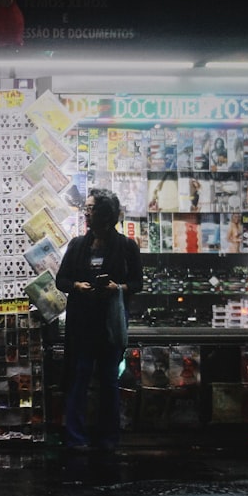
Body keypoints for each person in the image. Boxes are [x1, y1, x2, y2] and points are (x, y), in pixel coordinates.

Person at [55, 188, 143, 452]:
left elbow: (137, 282)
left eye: (91, 208)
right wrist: (77, 286)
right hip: (81, 325)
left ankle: (108, 438)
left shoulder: (126, 246)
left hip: (109, 324)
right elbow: (61, 280)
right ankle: (76, 437)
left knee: (108, 382)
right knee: (78, 379)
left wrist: (118, 288)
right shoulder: (77, 245)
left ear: (105, 214)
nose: (86, 212)